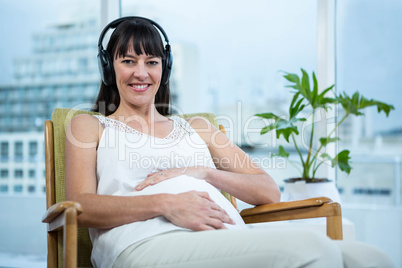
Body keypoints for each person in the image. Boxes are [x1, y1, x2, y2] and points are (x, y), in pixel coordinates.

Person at [65, 16, 393, 268]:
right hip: (143, 242)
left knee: (370, 257)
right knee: (314, 251)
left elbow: (267, 190)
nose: (142, 72)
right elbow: (79, 208)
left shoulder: (197, 127)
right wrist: (166, 203)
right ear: (109, 68)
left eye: (151, 61)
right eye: (128, 61)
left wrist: (202, 173)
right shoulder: (88, 126)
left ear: (164, 69)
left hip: (225, 238)